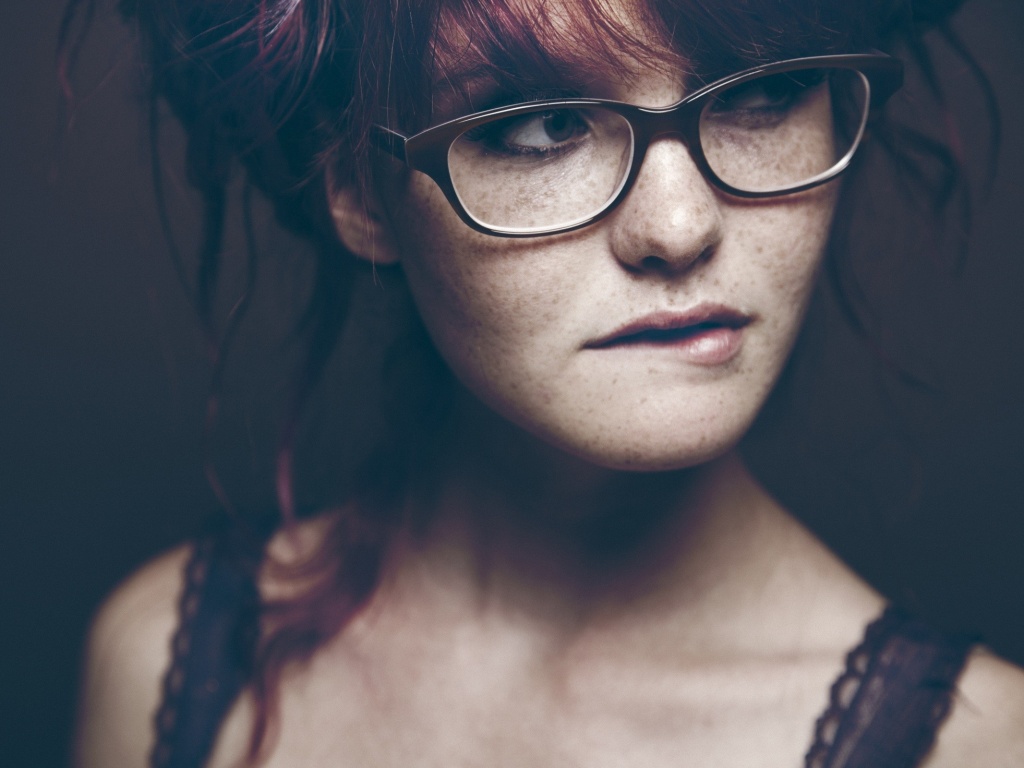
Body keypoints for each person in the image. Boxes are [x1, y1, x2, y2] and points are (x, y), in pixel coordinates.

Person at [69, 0, 1024, 766]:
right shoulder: (165, 668)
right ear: (359, 186)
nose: (681, 226)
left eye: (765, 90)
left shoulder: (985, 748)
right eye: (545, 125)